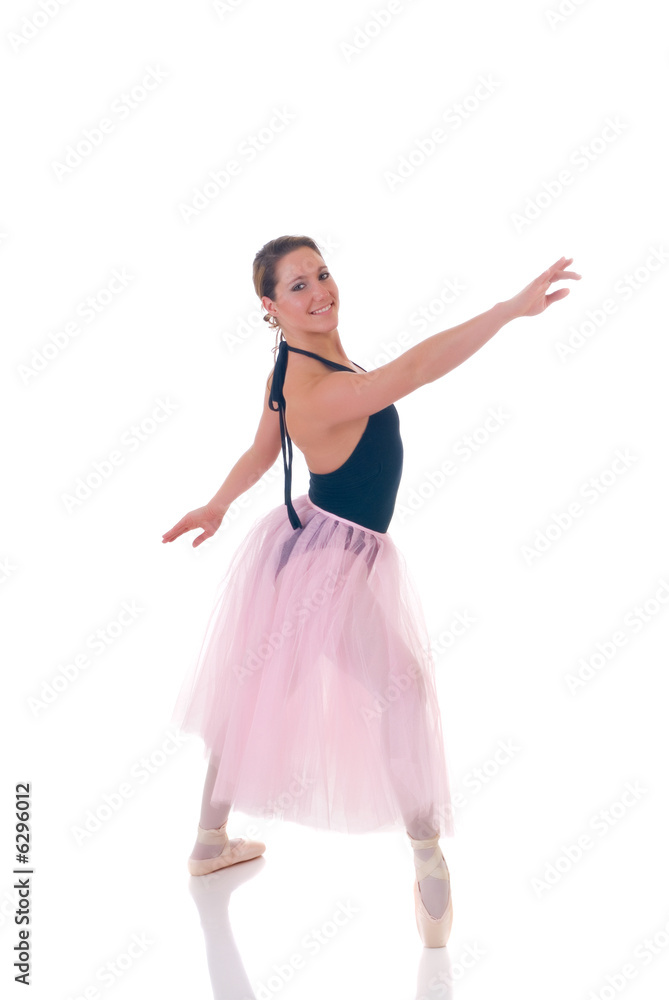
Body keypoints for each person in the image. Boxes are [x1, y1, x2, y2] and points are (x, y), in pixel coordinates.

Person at [163, 235, 580, 947]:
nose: (319, 290)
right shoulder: (328, 388)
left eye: (321, 274)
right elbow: (416, 366)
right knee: (402, 692)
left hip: (299, 548)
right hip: (329, 565)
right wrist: (509, 310)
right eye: (297, 286)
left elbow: (264, 451)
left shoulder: (291, 363)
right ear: (269, 305)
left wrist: (218, 503)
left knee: (261, 696)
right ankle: (427, 861)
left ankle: (209, 842)